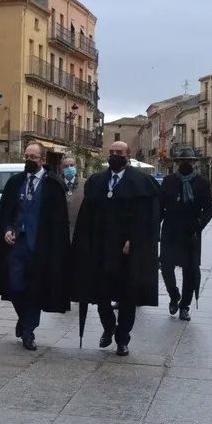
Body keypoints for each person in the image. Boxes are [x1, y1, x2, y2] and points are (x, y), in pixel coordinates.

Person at [71, 141, 160, 355]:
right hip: (101, 247)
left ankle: (122, 338)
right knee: (101, 293)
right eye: (111, 152)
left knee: (127, 296)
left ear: (127, 156)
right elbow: (86, 215)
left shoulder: (141, 182)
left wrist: (134, 239)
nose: (114, 155)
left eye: (118, 153)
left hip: (127, 250)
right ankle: (108, 327)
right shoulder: (97, 181)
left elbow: (149, 217)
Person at [0, 141, 71, 350]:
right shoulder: (15, 182)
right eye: (27, 157)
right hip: (16, 245)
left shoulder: (53, 185)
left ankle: (28, 331)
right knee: (14, 285)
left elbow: (58, 222)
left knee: (35, 289)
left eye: (33, 157)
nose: (29, 161)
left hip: (40, 246)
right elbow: (5, 212)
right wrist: (6, 229)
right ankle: (23, 319)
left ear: (42, 160)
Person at [158, 147, 212, 321]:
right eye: (182, 161)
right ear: (177, 164)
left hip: (192, 233)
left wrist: (200, 224)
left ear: (194, 163)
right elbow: (160, 207)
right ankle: (174, 295)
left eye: (188, 161)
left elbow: (209, 208)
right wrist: (155, 226)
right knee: (166, 267)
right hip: (170, 231)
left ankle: (185, 306)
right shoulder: (168, 181)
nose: (185, 164)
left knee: (190, 271)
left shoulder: (202, 182)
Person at [62, 155, 86, 318]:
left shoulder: (85, 184)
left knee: (79, 265)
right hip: (62, 232)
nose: (69, 168)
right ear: (61, 169)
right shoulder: (57, 184)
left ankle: (78, 291)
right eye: (66, 166)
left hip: (80, 231)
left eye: (72, 165)